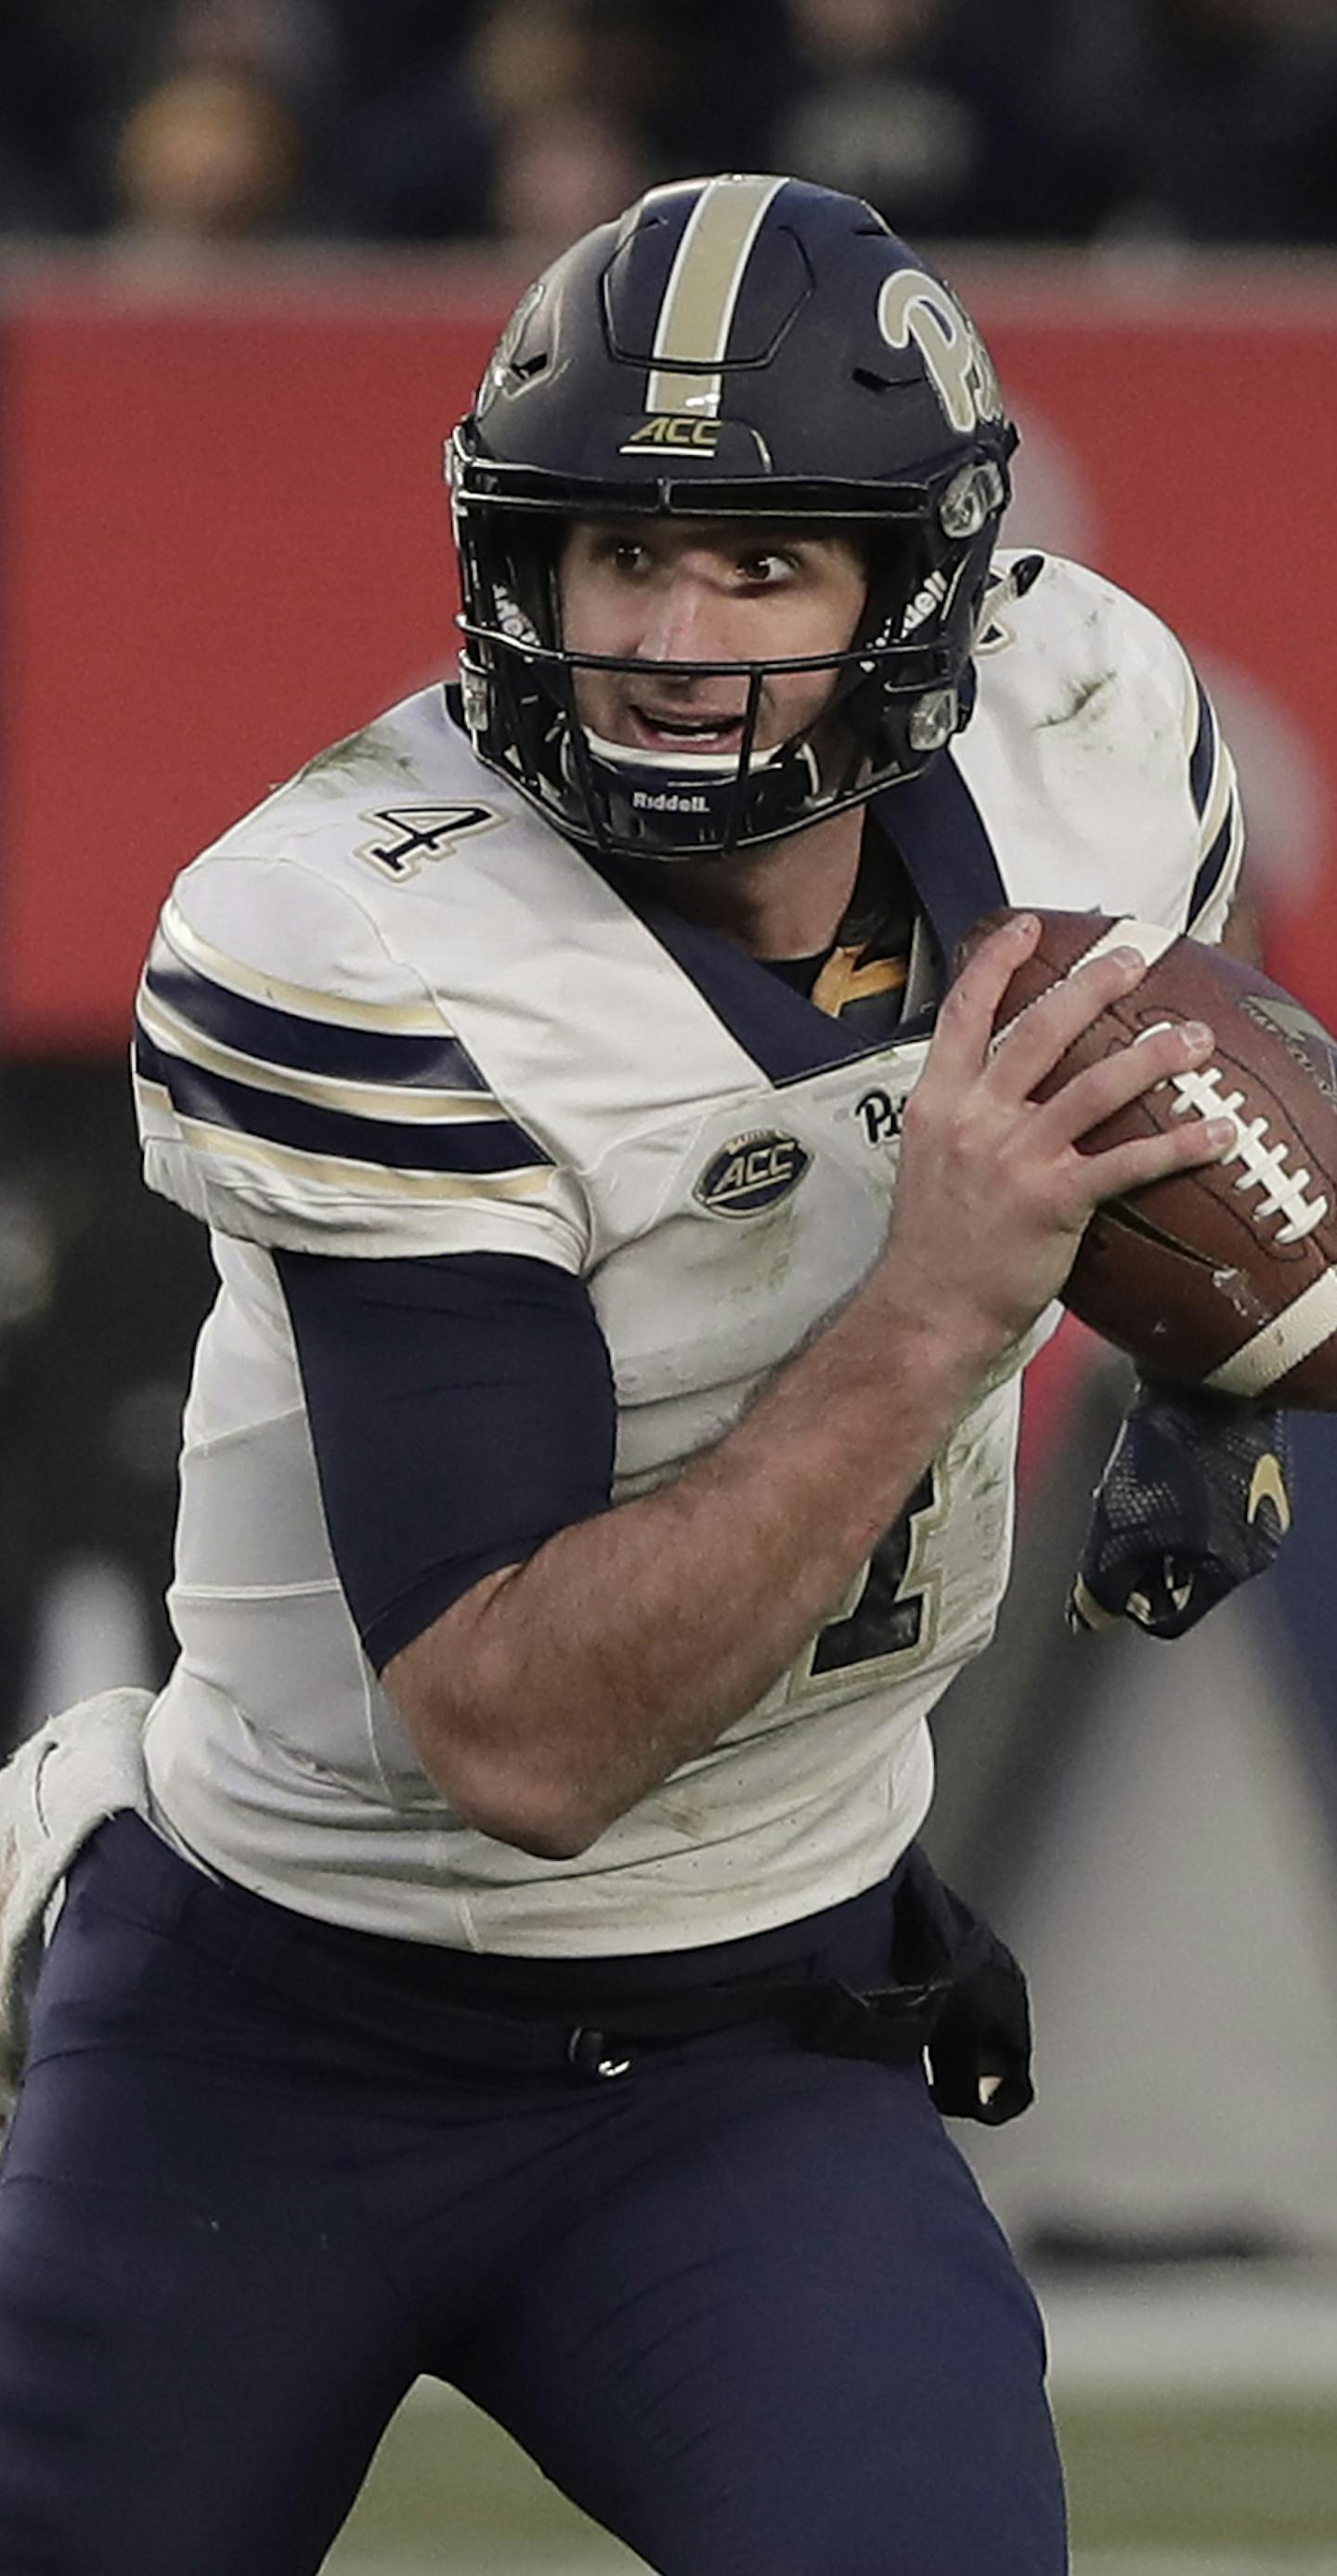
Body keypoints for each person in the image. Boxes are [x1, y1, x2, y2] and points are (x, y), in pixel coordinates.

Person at [0, 174, 1287, 2576]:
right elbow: (518, 1742)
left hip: (752, 2043)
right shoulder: (358, 935)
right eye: (615, 556)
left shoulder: (1090, 710)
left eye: (766, 566)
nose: (675, 637)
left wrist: (1199, 1390)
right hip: (277, 2033)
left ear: (926, 594)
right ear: (518, 563)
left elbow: (1163, 1118)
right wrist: (930, 1307)